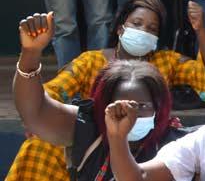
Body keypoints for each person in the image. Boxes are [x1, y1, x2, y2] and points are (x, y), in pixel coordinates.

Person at [6, 0, 205, 181]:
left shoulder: (166, 62)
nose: (143, 31)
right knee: (40, 145)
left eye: (151, 29)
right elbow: (52, 92)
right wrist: (31, 56)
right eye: (137, 24)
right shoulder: (90, 61)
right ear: (121, 29)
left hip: (148, 141)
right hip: (96, 134)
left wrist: (201, 30)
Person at [12, 23, 185, 181]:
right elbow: (35, 112)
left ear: (158, 109)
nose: (132, 114)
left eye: (142, 106)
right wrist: (31, 53)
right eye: (122, 105)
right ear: (103, 107)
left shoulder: (178, 144)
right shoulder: (89, 127)